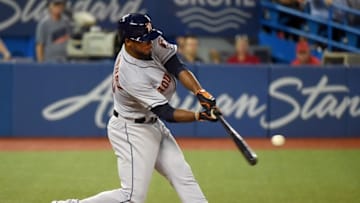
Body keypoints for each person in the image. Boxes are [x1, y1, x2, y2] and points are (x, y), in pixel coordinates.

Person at [52, 13, 221, 203]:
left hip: (152, 124)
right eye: (143, 41)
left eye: (149, 38)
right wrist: (200, 116)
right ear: (128, 42)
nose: (149, 43)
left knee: (183, 177)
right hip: (131, 130)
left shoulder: (149, 40)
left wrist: (200, 92)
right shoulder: (128, 73)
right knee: (131, 198)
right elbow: (167, 113)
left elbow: (175, 65)